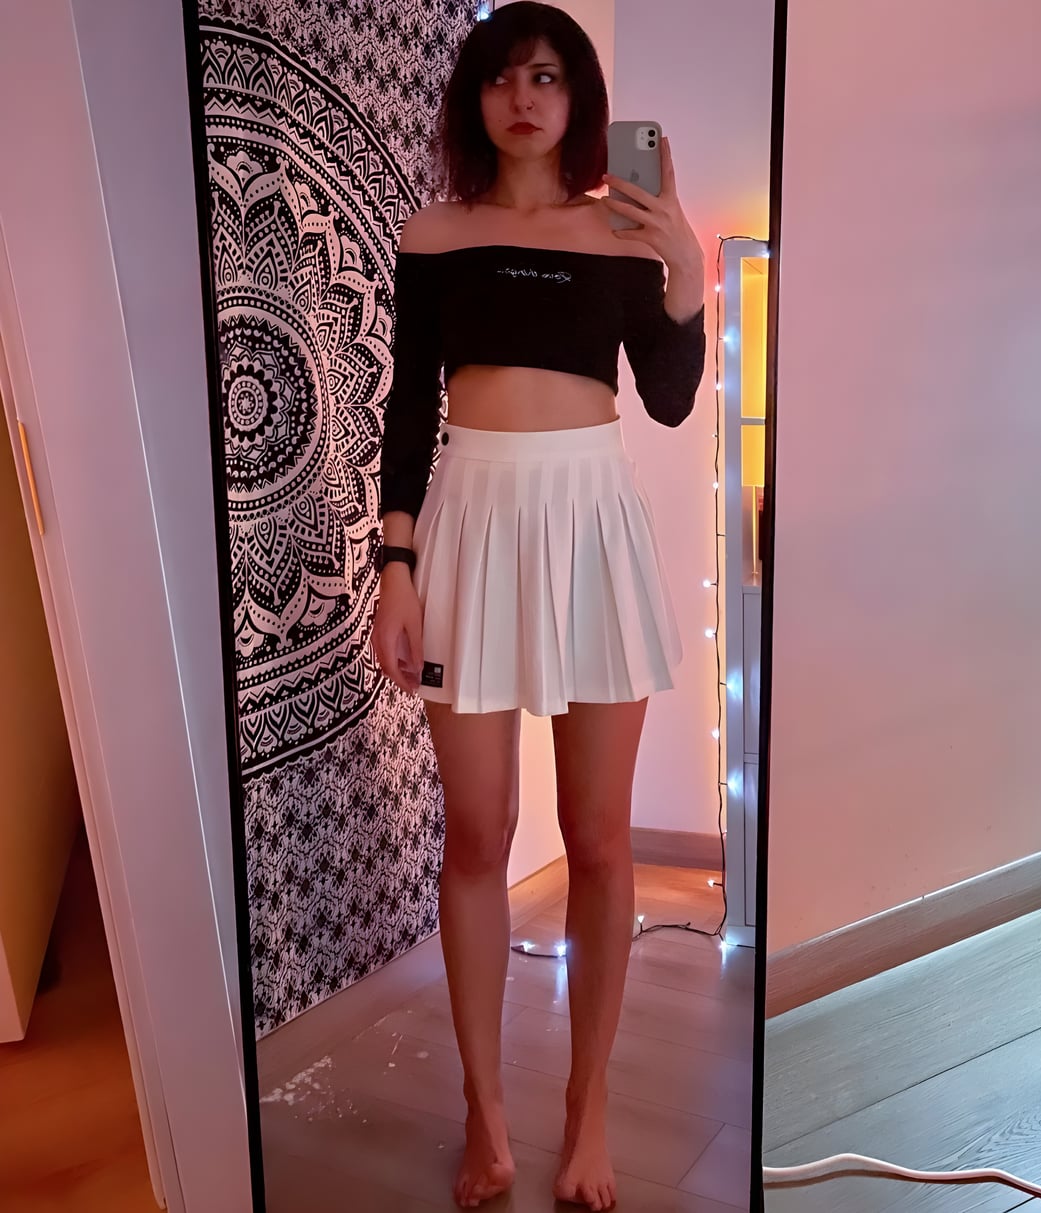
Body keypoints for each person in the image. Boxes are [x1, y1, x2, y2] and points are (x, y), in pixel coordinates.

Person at [371, 3, 705, 1209]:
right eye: (505, 77)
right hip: (467, 522)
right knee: (477, 832)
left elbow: (669, 399)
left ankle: (587, 1106)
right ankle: (486, 1107)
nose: (526, 98)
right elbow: (410, 408)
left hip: (590, 524)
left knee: (601, 837)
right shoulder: (435, 232)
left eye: (550, 77)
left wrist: (686, 273)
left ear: (580, 102)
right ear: (476, 97)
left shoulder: (620, 230)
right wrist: (395, 563)